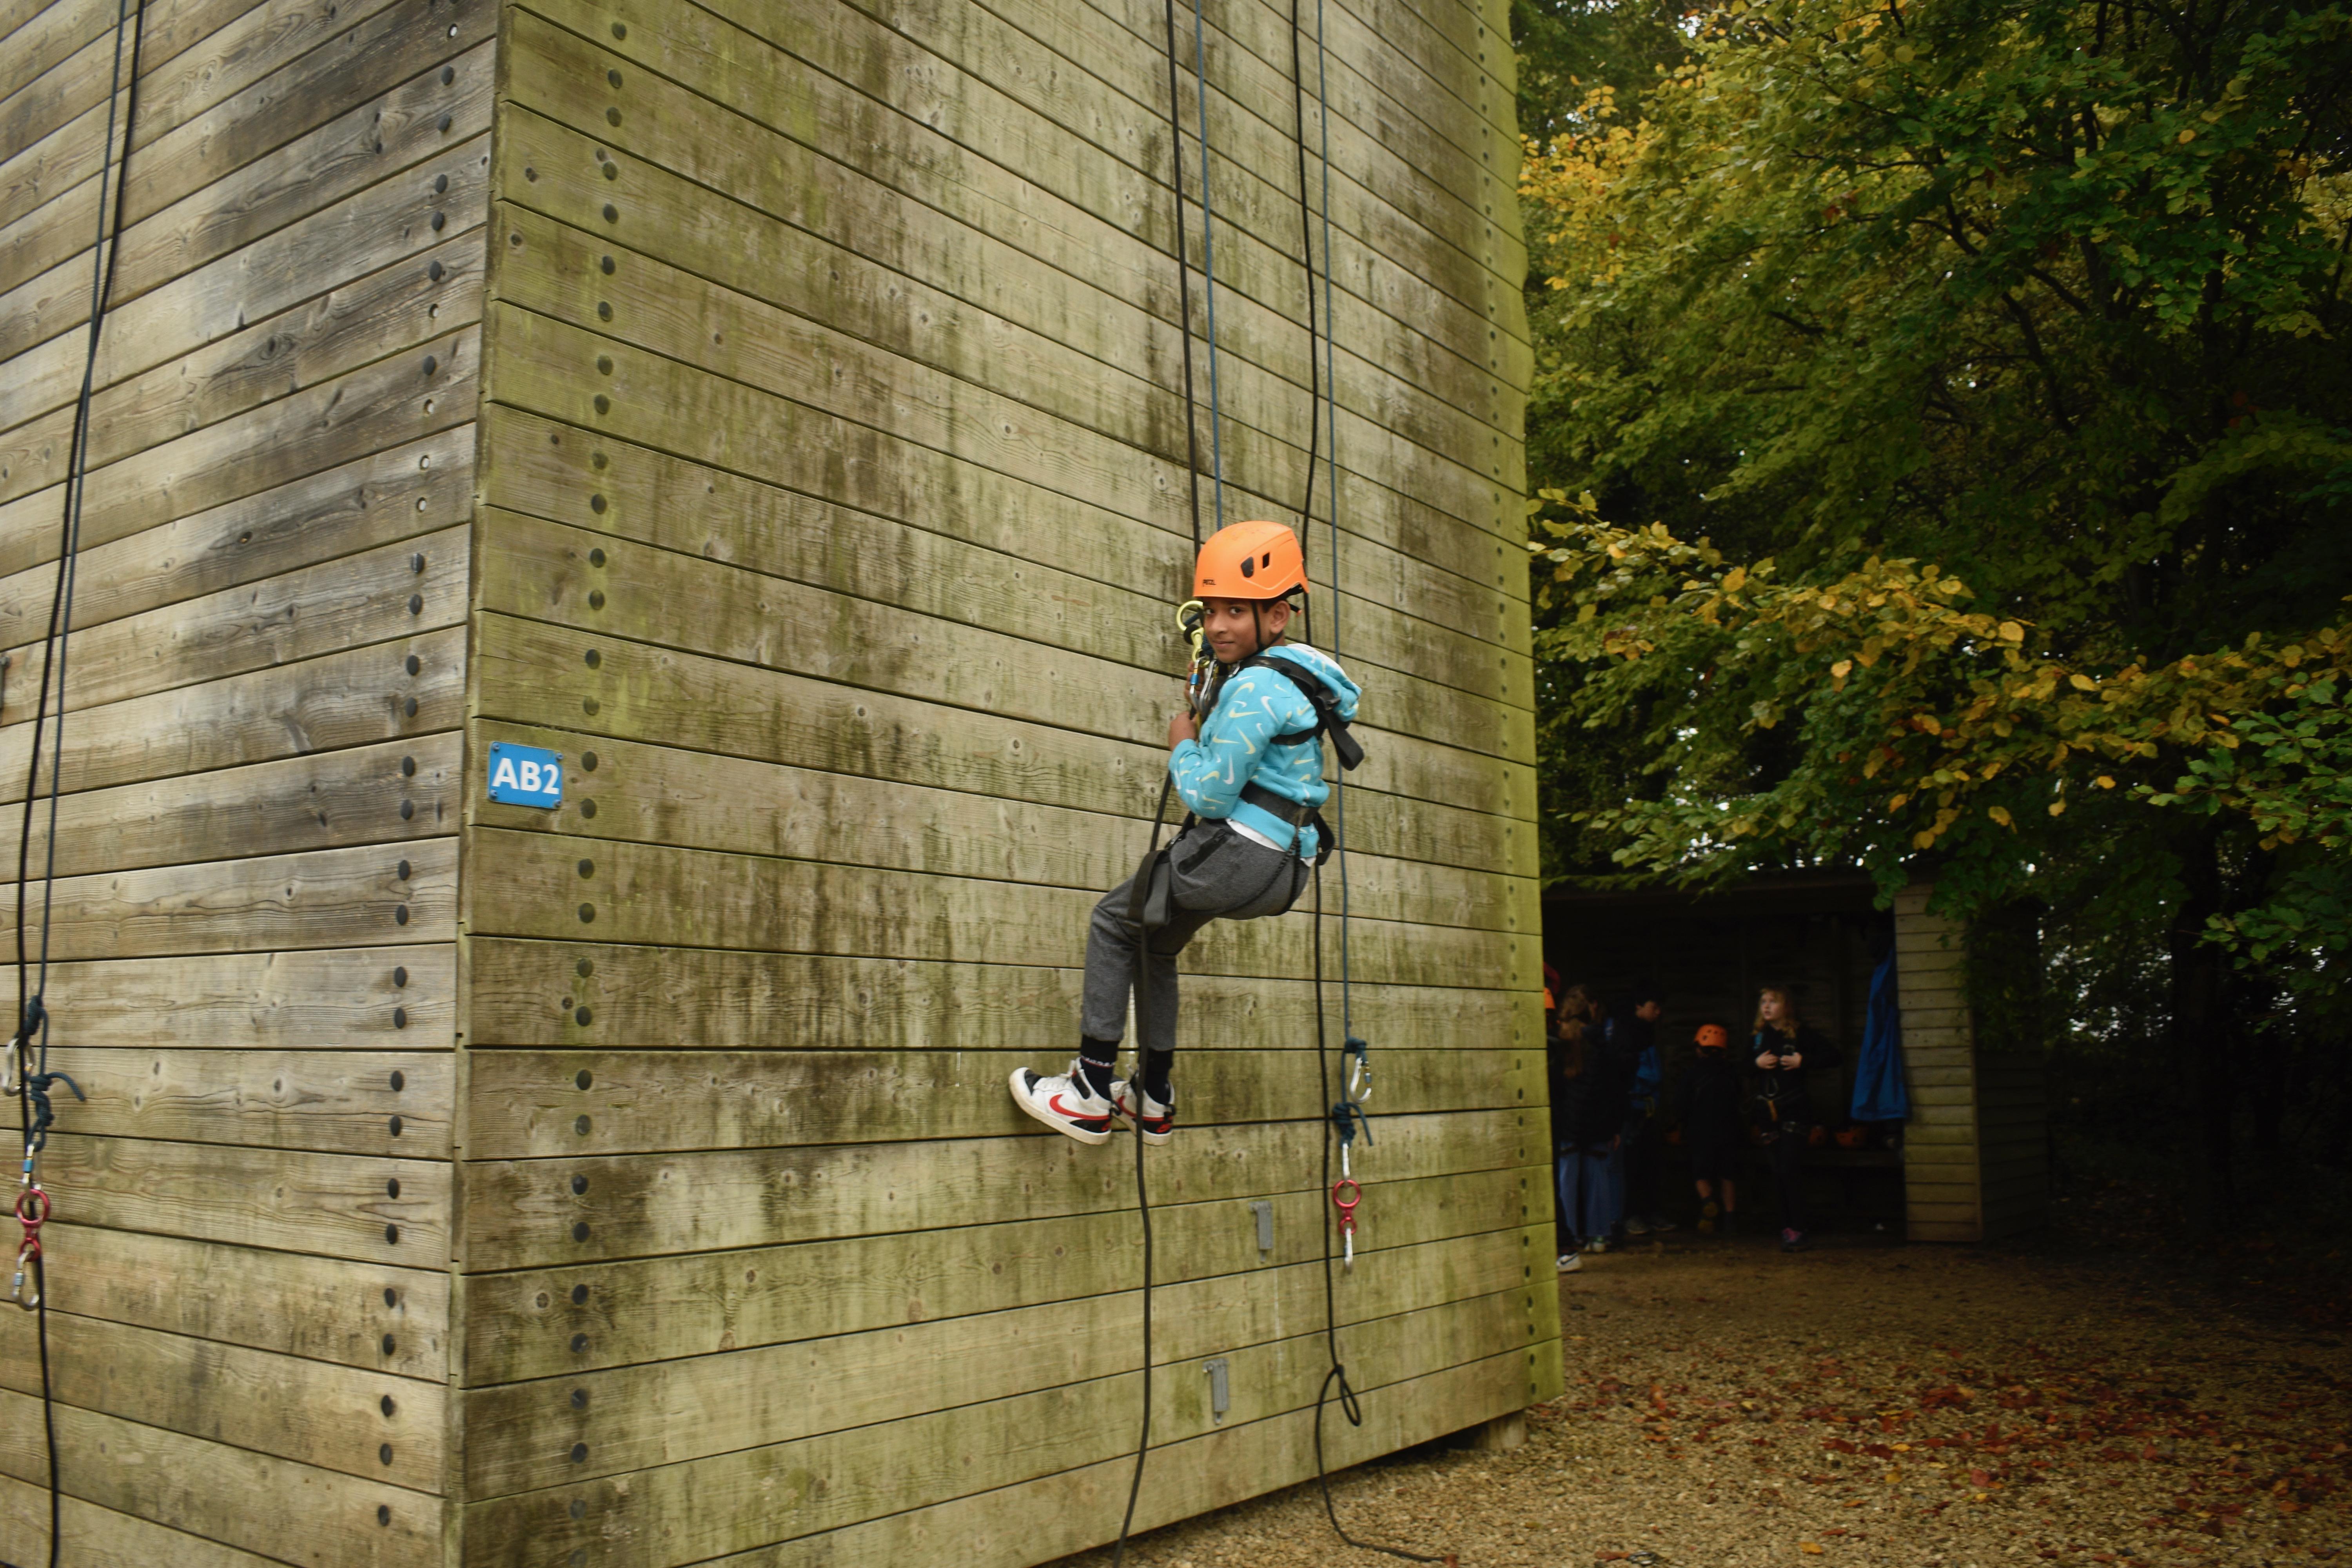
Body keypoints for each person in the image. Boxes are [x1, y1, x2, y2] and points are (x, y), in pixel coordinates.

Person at [1010, 520, 1360, 1145]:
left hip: (1237, 852)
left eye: (1236, 611)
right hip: (1286, 866)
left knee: (1113, 921)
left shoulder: (1255, 685)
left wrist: (1182, 741)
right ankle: (1152, 1094)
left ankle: (1089, 1090)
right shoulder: (1291, 680)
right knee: (1155, 944)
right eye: (1211, 611)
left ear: (1278, 616)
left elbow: (1209, 794)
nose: (1218, 626)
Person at [1750, 985, 1844, 1252]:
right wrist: (1755, 1064)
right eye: (1763, 1001)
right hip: (1767, 1115)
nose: (1766, 1006)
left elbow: (1834, 1057)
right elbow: (1742, 1067)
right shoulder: (1758, 1039)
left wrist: (1804, 1061)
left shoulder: (1801, 1035)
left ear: (1787, 1007)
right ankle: (1787, 1228)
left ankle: (1799, 1228)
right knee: (1778, 1172)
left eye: (1773, 1001)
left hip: (1794, 1112)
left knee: (1789, 1168)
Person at [1609, 986, 1677, 1236]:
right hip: (1631, 1108)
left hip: (1648, 1109)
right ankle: (1630, 1215)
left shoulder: (1648, 1033)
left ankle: (1650, 1212)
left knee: (1651, 1163)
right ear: (1639, 1005)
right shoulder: (1625, 1031)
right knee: (1631, 1164)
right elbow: (1633, 1070)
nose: (1658, 1013)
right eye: (1654, 1007)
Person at [1679, 1022, 1745, 1233]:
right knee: (1727, 1174)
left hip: (1700, 1130)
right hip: (1729, 1129)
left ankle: (1708, 1202)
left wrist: (1681, 1125)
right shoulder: (1731, 1073)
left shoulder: (1692, 1073)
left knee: (1702, 1173)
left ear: (1699, 1048)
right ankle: (1730, 1218)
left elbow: (1682, 1104)